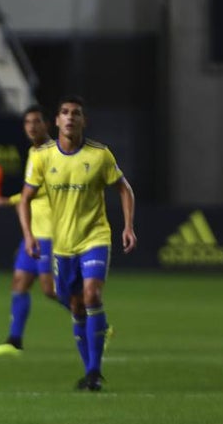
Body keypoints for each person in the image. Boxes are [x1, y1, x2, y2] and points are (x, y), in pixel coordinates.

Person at [17, 96, 136, 392]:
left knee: (92, 294)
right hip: (62, 244)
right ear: (56, 121)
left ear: (84, 121)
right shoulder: (42, 157)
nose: (70, 118)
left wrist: (129, 226)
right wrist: (30, 236)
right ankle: (88, 369)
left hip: (95, 236)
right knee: (75, 305)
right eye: (65, 113)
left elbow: (124, 189)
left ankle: (95, 372)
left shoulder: (99, 155)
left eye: (76, 114)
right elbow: (25, 199)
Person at [0, 104, 61, 357]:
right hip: (34, 232)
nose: (32, 126)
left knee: (49, 290)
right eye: (28, 122)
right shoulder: (34, 151)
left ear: (47, 125)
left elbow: (41, 191)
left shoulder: (54, 153)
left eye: (37, 121)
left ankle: (96, 321)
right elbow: (30, 192)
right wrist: (9, 201)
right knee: (20, 282)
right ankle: (14, 340)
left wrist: (9, 201)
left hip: (50, 231)